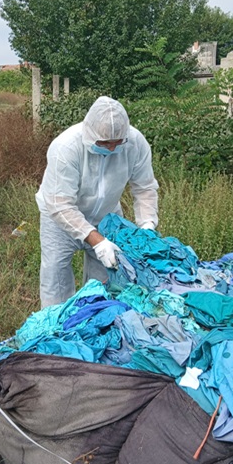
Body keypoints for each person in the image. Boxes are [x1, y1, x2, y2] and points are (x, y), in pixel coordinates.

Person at [36, 96, 159, 308]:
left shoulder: (135, 143)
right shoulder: (66, 147)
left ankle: (93, 314)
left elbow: (144, 187)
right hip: (60, 219)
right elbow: (60, 204)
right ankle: (55, 321)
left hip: (106, 217)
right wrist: (98, 241)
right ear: (90, 133)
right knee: (55, 278)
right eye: (104, 143)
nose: (111, 148)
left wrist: (147, 225)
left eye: (117, 143)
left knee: (107, 278)